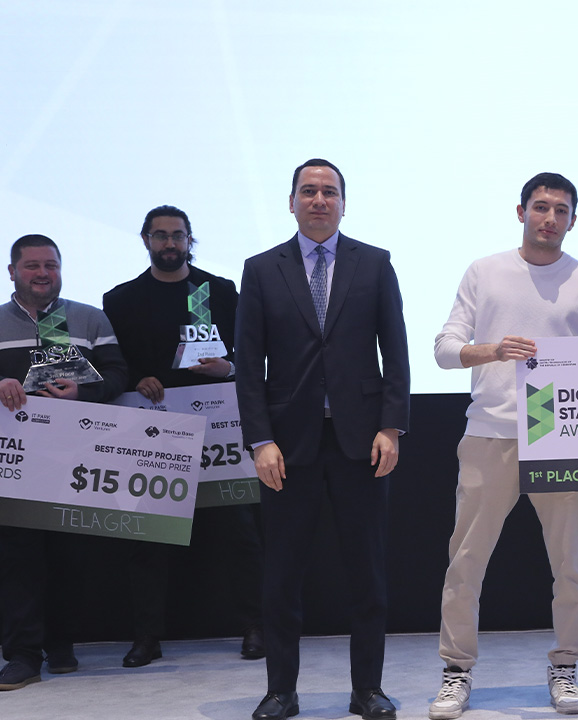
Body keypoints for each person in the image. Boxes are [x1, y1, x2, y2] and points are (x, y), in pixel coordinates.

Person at [429, 173, 578, 720]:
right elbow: (444, 349)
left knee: (570, 564)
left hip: (559, 437)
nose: (549, 218)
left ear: (573, 219)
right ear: (521, 211)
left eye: (561, 210)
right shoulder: (484, 272)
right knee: (466, 561)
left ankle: (566, 666)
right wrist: (492, 351)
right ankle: (456, 670)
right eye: (540, 207)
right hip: (490, 431)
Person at [235, 159, 410, 720]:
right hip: (288, 446)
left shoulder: (374, 263)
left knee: (368, 576)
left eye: (329, 192)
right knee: (282, 576)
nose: (318, 200)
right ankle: (280, 692)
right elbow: (248, 365)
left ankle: (368, 690)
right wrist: (260, 440)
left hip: (362, 443)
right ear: (291, 202)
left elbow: (396, 351)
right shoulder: (261, 269)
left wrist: (391, 425)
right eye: (308, 191)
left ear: (343, 203)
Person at [102, 205, 264, 668]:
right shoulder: (120, 300)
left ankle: (255, 627)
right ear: (146, 240)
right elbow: (112, 363)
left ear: (190, 240)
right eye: (161, 235)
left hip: (219, 429)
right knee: (147, 538)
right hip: (151, 430)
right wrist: (136, 377)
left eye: (178, 235)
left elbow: (254, 352)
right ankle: (146, 637)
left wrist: (228, 366)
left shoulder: (221, 291)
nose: (170, 243)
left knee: (240, 532)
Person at [0, 235, 128, 690]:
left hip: (76, 460)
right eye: (32, 265)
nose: (42, 273)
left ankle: (61, 645)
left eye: (50, 265)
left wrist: (83, 391)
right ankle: (22, 656)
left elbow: (119, 374)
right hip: (16, 465)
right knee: (18, 559)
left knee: (71, 558)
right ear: (12, 271)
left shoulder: (89, 318)